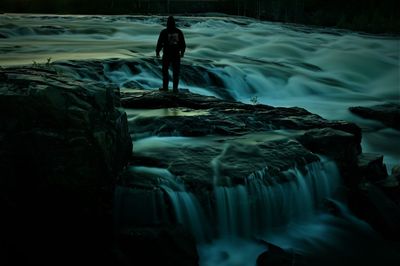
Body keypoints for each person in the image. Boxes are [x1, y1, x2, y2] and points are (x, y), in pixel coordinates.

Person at [156, 16, 186, 93]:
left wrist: (157, 52)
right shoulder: (179, 32)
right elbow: (183, 44)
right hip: (176, 54)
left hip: (167, 54)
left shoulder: (164, 32)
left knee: (165, 71)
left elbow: (159, 43)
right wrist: (182, 52)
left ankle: (165, 87)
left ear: (167, 23)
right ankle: (174, 88)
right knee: (175, 72)